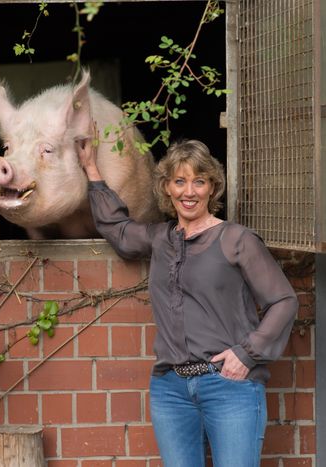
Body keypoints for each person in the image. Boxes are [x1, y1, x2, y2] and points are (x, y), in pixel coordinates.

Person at [77, 133, 298, 467]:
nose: (189, 192)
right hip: (171, 389)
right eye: (179, 181)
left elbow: (283, 301)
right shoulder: (160, 239)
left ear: (212, 186)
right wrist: (91, 167)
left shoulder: (236, 239)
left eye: (199, 181)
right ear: (167, 187)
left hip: (228, 385)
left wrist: (246, 353)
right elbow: (118, 229)